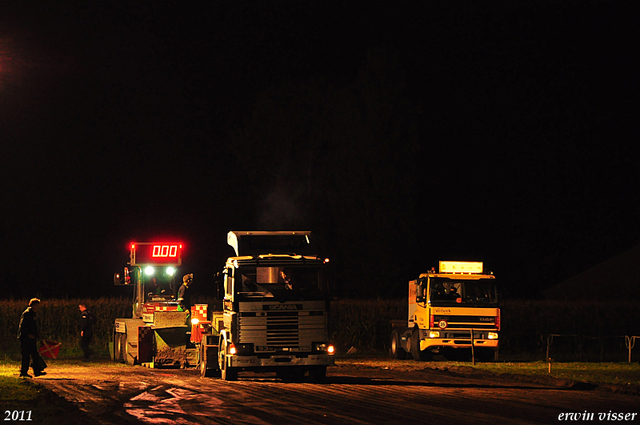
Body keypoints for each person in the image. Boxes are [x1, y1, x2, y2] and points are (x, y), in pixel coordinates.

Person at [17, 298, 46, 378]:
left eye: (37, 305)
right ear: (32, 305)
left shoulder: (32, 313)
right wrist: (27, 334)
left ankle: (37, 371)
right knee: (26, 355)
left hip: (31, 337)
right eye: (35, 305)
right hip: (25, 338)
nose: (36, 307)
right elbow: (23, 326)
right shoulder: (27, 313)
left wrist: (36, 336)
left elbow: (33, 327)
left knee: (34, 354)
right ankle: (23, 372)